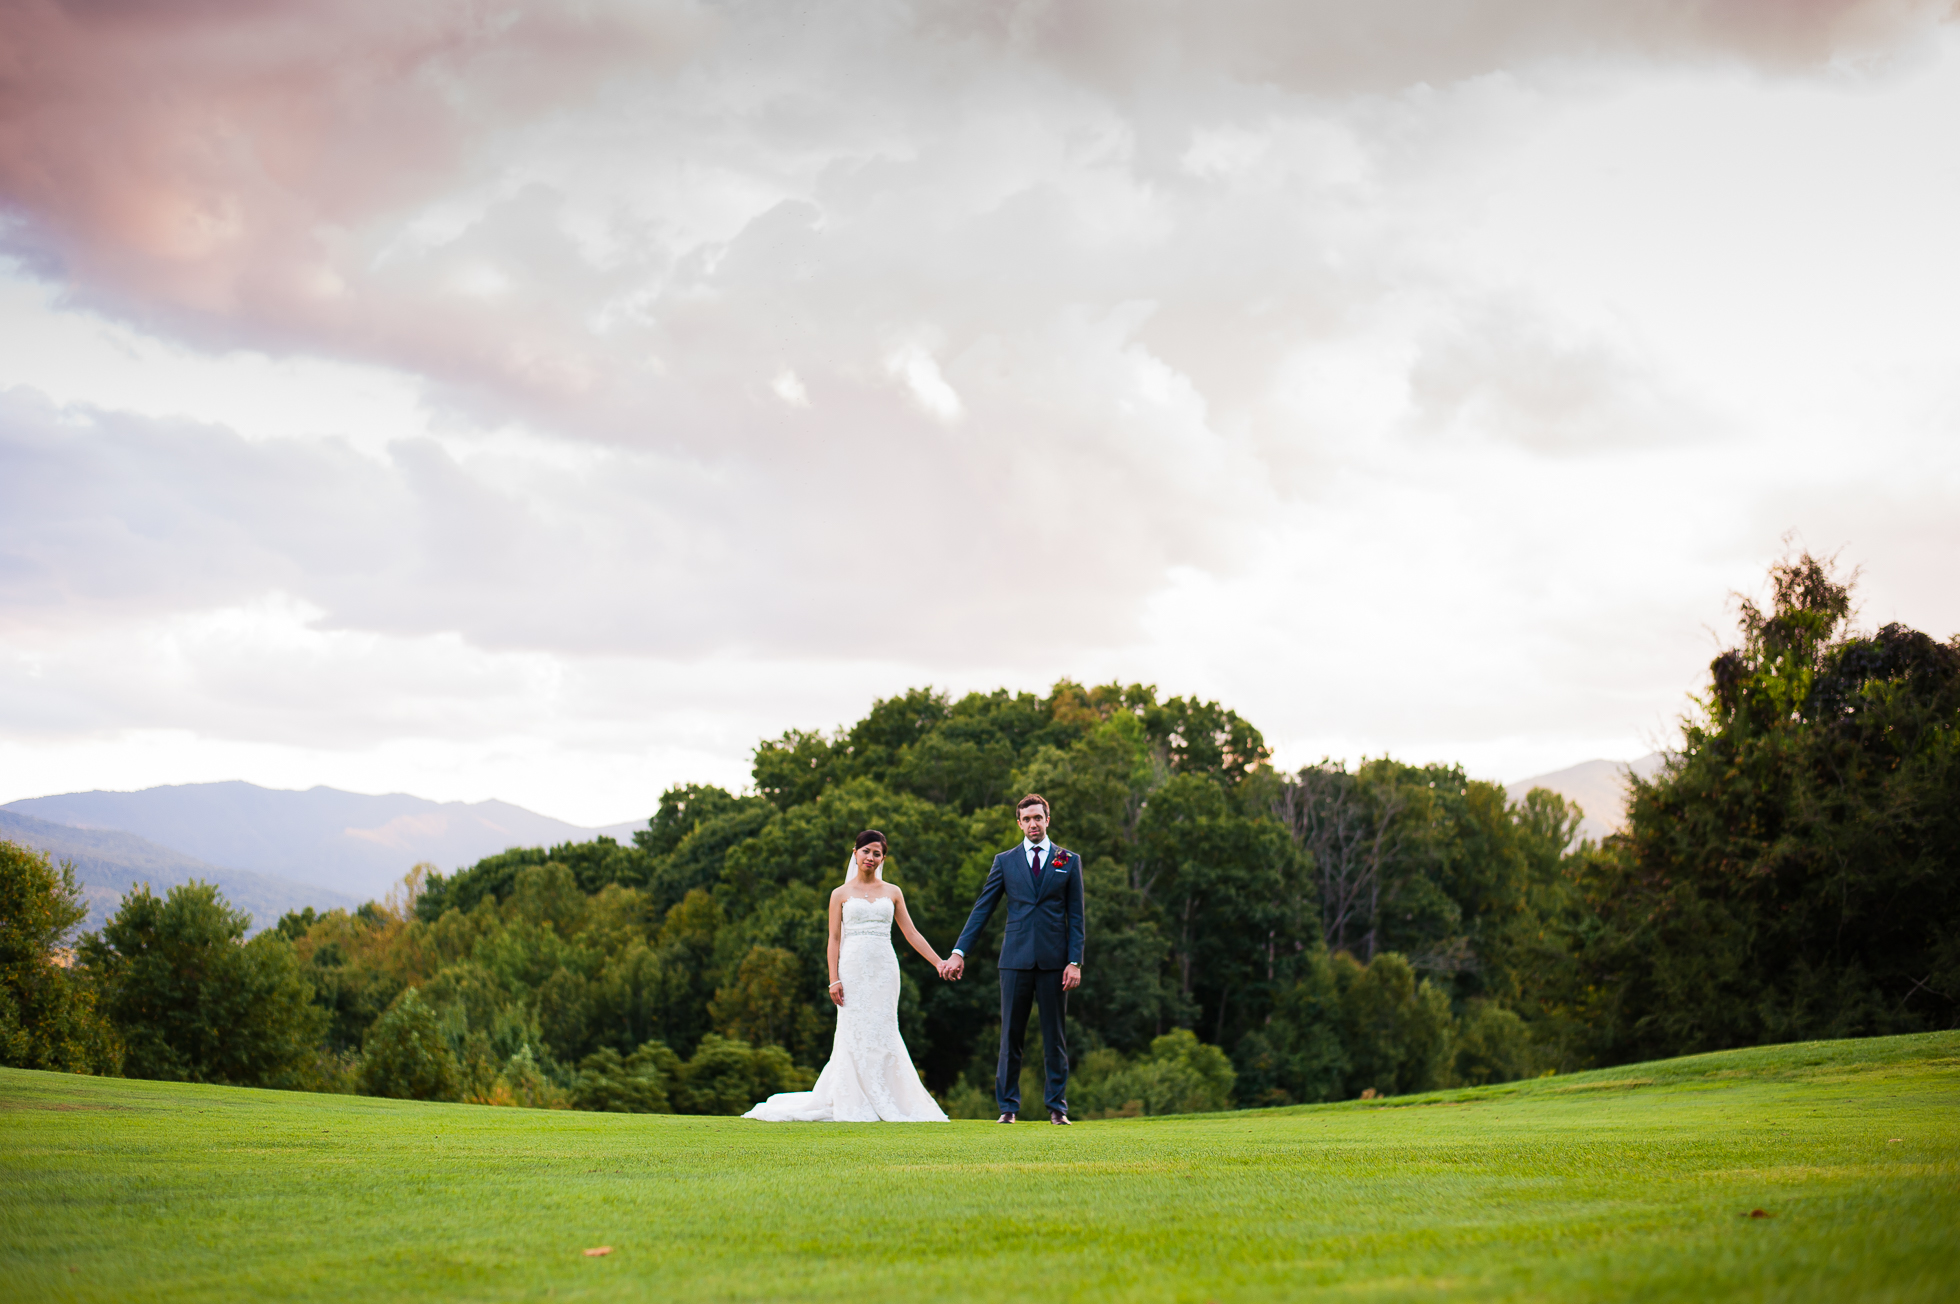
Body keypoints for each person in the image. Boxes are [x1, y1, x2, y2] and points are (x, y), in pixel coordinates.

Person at [743, 830, 949, 1122]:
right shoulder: (839, 895)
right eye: (866, 851)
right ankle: (852, 1096)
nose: (871, 857)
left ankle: (888, 1096)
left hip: (884, 969)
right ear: (855, 853)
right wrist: (833, 978)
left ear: (883, 859)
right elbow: (834, 939)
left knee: (884, 1029)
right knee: (852, 1031)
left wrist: (938, 962)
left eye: (877, 853)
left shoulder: (893, 892)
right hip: (851, 969)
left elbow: (911, 933)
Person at [940, 792, 1084, 1124]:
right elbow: (982, 909)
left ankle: (1057, 1108)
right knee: (1010, 1037)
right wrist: (959, 952)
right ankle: (1008, 1107)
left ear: (1048, 820)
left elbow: (1076, 917)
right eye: (1027, 819)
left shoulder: (1068, 860)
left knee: (1055, 1037)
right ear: (1019, 823)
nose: (1033, 824)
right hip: (1014, 960)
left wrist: (1074, 961)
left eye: (1038, 817)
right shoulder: (1005, 861)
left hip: (1055, 962)